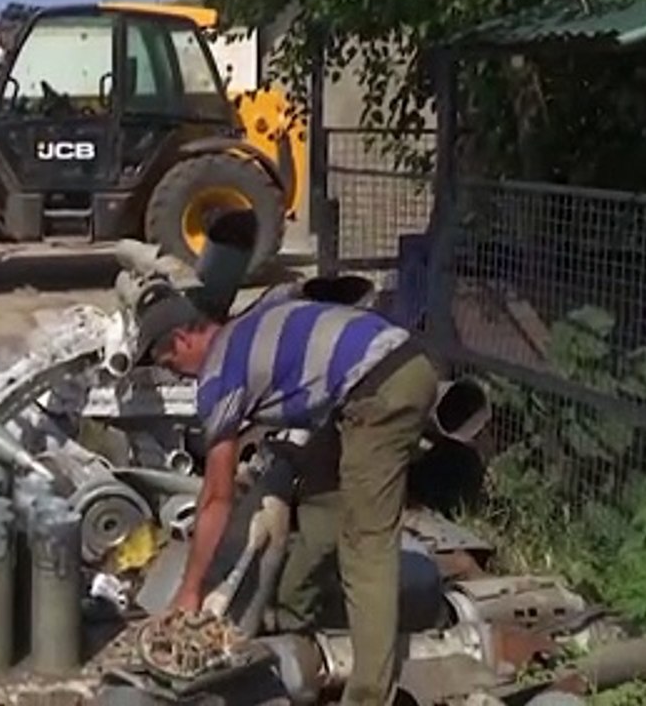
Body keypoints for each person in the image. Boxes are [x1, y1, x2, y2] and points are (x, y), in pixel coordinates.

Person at [136, 284, 441, 705]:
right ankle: (297, 622)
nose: (176, 373)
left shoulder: (218, 375)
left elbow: (215, 498)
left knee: (366, 546)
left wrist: (191, 588)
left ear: (184, 338)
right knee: (321, 502)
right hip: (382, 373)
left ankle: (369, 695)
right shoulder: (247, 325)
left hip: (380, 389)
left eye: (169, 362)